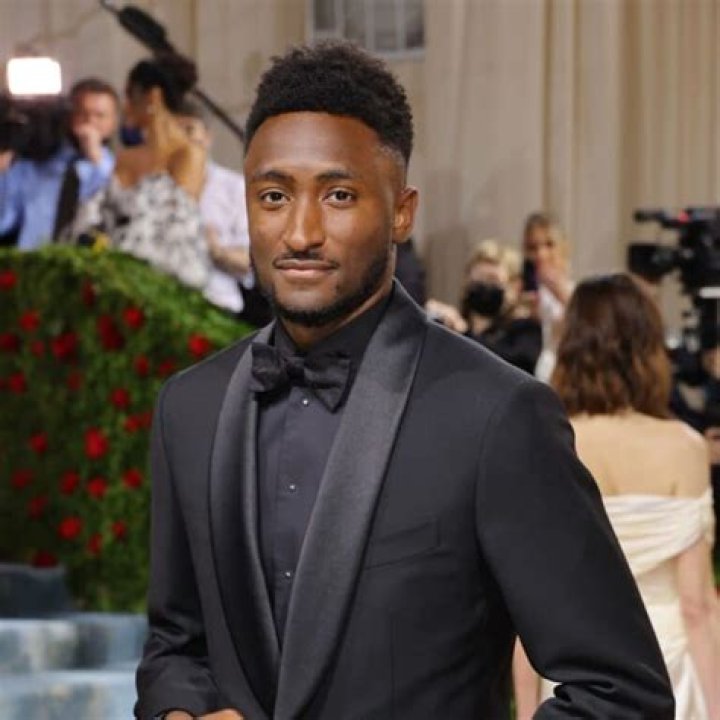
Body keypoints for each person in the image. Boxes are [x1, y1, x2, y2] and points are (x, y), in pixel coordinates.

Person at [134, 42, 673, 720]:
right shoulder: (191, 408)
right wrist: (182, 714)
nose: (300, 232)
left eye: (338, 196)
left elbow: (621, 695)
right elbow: (175, 647)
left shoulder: (496, 415)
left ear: (401, 212)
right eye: (273, 196)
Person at [514, 274, 720, 720]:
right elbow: (697, 606)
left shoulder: (549, 442)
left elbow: (531, 607)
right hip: (668, 669)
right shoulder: (684, 446)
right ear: (649, 350)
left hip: (578, 675)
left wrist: (528, 710)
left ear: (571, 348)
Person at [71, 54, 209, 289]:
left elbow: (179, 227)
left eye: (130, 95)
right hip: (110, 280)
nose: (125, 107)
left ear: (153, 96)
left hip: (165, 284)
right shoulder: (125, 157)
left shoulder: (188, 155)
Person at [0, 77, 118, 249]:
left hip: (87, 260)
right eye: (82, 113)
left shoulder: (116, 169)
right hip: (34, 257)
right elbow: (5, 218)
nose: (90, 122)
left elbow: (115, 204)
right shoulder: (38, 160)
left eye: (100, 116)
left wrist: (95, 157)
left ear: (113, 123)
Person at [175, 99, 253, 315]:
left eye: (189, 129)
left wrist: (216, 250)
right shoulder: (152, 187)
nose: (182, 139)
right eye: (174, 132)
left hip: (218, 305)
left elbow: (252, 262)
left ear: (207, 137)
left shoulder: (234, 187)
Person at [462, 238, 541, 374]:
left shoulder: (526, 330)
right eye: (477, 278)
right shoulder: (456, 323)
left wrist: (464, 335)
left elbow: (517, 364)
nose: (484, 285)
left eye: (493, 279)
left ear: (515, 286)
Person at [522, 211, 573, 382]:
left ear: (564, 247)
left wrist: (559, 291)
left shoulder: (577, 293)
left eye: (549, 245)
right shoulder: (520, 294)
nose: (541, 254)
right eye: (533, 247)